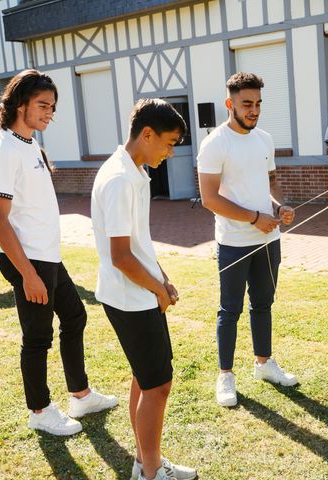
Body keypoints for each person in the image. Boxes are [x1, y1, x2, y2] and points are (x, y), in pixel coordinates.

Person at [0, 69, 117, 436]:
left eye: (52, 107)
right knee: (38, 337)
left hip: (48, 257)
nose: (48, 113)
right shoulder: (3, 150)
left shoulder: (29, 145)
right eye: (42, 105)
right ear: (19, 103)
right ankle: (40, 411)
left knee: (75, 318)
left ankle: (80, 395)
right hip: (28, 260)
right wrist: (27, 274)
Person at [91, 98, 197, 480]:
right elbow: (121, 256)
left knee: (145, 376)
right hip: (129, 296)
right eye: (169, 143)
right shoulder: (120, 179)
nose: (171, 152)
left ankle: (144, 461)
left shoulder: (134, 170)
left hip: (138, 292)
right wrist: (157, 289)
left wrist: (162, 278)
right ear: (147, 134)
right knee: (159, 385)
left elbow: (138, 243)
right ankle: (151, 472)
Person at [197, 72, 298, 408]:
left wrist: (280, 206)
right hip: (233, 242)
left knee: (264, 304)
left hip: (269, 240)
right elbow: (210, 198)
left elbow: (271, 181)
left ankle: (264, 364)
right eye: (246, 104)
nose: (254, 110)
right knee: (230, 309)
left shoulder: (264, 140)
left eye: (258, 104)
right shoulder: (215, 144)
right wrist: (255, 218)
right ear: (230, 104)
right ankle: (225, 375)